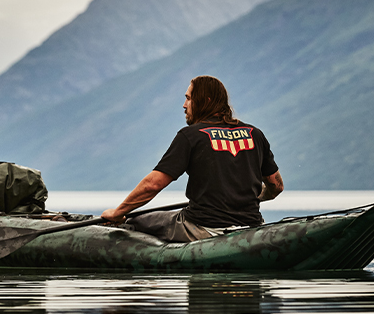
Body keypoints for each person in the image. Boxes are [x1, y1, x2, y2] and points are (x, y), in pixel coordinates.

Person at [101, 75, 284, 242]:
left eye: (188, 98)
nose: (184, 105)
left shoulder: (191, 136)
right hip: (251, 226)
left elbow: (153, 184)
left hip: (202, 228)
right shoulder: (255, 134)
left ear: (206, 101)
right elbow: (276, 187)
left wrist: (119, 213)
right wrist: (250, 196)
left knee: (134, 221)